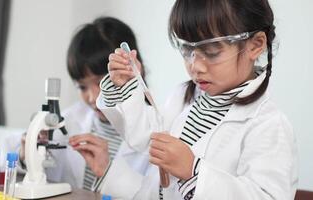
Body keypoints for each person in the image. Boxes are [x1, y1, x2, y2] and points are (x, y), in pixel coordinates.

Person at [96, 0, 298, 199]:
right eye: (187, 51)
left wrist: (194, 171)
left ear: (255, 45)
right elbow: (147, 139)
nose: (195, 66)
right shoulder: (184, 96)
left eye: (211, 52)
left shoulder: (269, 125)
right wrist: (125, 85)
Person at [12, 16, 149, 192]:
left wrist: (108, 170)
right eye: (82, 87)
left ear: (134, 69)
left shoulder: (156, 129)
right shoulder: (70, 119)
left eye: (101, 82)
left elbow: (156, 194)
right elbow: (5, 154)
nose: (92, 97)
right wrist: (27, 154)